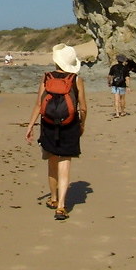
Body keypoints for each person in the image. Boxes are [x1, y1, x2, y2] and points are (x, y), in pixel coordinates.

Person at [25, 43, 88, 220]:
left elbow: (39, 104)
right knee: (64, 165)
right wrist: (81, 125)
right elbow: (83, 108)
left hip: (48, 125)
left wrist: (30, 126)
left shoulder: (46, 77)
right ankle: (61, 206)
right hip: (70, 126)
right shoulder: (76, 80)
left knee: (52, 163)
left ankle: (53, 198)